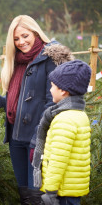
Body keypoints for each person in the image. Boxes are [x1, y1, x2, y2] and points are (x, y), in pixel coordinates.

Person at [0, 15, 74, 204]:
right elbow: (12, 103)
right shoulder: (18, 62)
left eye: (25, 36)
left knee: (38, 197)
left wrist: (38, 140)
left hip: (38, 141)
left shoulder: (51, 59)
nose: (21, 42)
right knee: (25, 196)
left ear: (35, 32)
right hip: (16, 140)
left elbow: (54, 103)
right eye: (16, 39)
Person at [32, 60, 91, 205]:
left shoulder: (64, 119)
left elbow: (58, 160)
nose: (50, 90)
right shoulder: (79, 114)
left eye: (52, 86)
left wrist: (50, 192)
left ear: (63, 90)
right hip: (70, 189)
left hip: (61, 192)